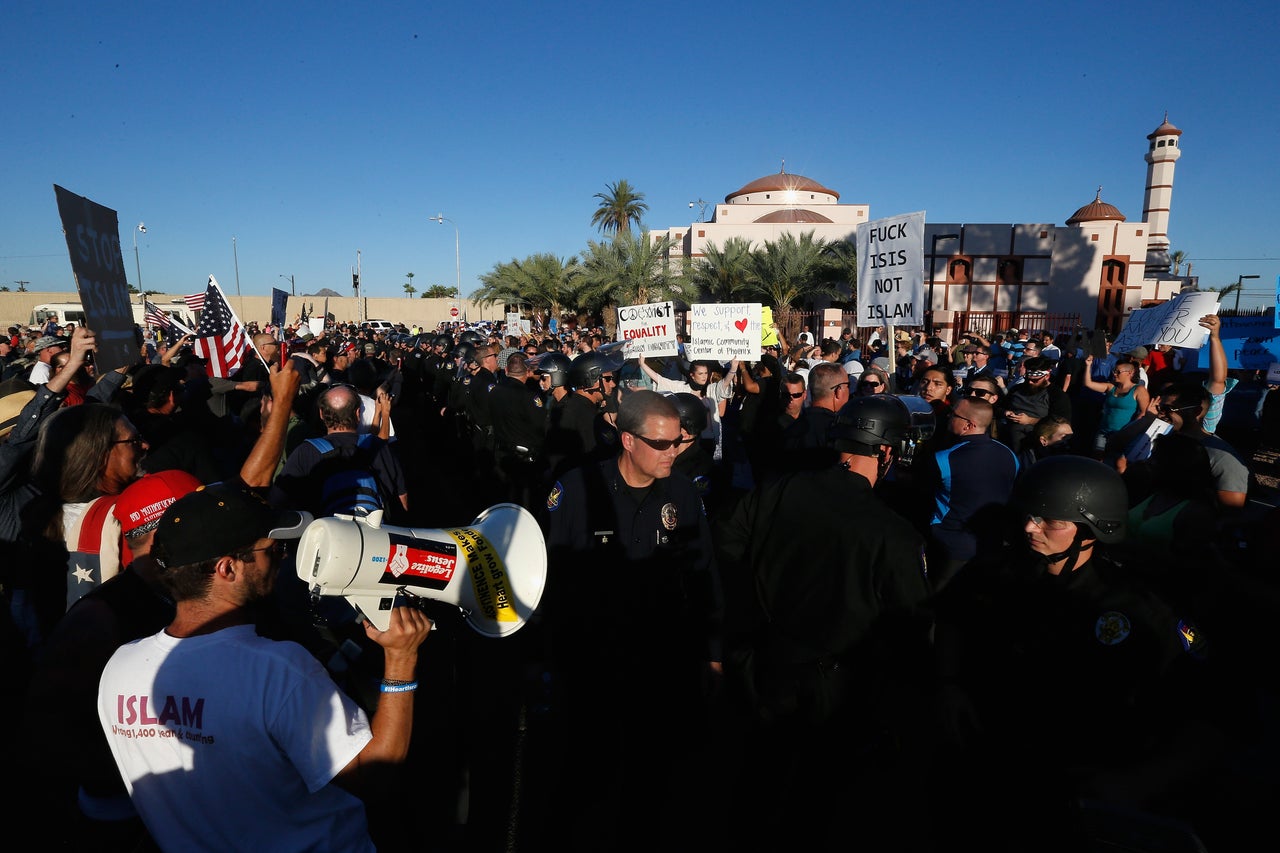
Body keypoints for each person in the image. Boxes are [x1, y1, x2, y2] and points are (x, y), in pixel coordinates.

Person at [96, 484, 433, 852]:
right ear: (227, 568)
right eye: (273, 549)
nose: (283, 558)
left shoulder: (119, 667)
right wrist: (401, 660)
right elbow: (374, 776)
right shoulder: (277, 669)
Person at [716, 394, 934, 850]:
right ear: (888, 451)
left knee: (756, 780)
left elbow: (727, 546)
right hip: (835, 688)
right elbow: (910, 629)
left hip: (766, 663)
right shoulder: (894, 534)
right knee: (816, 797)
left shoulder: (779, 487)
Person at [537, 390, 721, 851]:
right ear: (627, 440)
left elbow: (703, 572)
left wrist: (713, 652)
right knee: (582, 776)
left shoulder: (681, 489)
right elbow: (553, 583)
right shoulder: (577, 490)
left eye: (678, 442)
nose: (673, 452)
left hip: (660, 661)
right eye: (660, 444)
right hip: (591, 664)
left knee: (651, 779)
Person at [914, 395, 1019, 590]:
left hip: (950, 546)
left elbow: (920, 495)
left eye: (954, 414)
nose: (949, 417)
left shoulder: (943, 459)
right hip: (992, 546)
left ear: (968, 425)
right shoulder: (1010, 455)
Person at [1081, 356, 1149, 458]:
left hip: (1121, 435)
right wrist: (1088, 365)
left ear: (1129, 373)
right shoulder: (1111, 387)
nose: (1114, 373)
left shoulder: (1138, 390)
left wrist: (1128, 432)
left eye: (1118, 372)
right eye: (1114, 371)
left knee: (1116, 462)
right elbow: (1088, 383)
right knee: (1097, 458)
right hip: (1103, 432)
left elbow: (1143, 413)